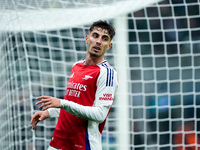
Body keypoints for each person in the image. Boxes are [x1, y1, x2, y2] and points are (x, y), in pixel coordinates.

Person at [31, 20, 119, 150]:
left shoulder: (107, 73)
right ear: (87, 38)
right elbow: (72, 103)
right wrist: (49, 112)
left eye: (104, 39)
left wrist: (62, 103)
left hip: (84, 144)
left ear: (109, 46)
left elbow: (100, 115)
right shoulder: (76, 66)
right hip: (59, 141)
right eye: (95, 36)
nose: (99, 41)